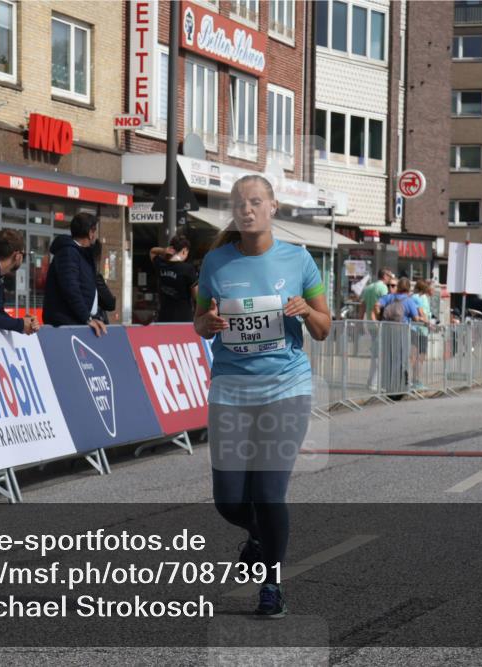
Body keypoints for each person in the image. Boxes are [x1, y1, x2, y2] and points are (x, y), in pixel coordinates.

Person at [193, 174, 331, 619]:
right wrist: (207, 325)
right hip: (231, 391)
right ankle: (260, 537)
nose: (247, 209)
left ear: (273, 207)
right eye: (240, 203)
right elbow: (199, 319)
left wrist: (306, 310)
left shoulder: (299, 260)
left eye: (256, 202)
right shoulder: (216, 263)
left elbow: (324, 328)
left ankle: (271, 583)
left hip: (285, 389)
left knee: (269, 494)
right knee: (230, 501)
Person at [43, 212, 107, 336]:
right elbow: (71, 288)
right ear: (90, 233)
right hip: (67, 324)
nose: (96, 236)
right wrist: (86, 318)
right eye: (95, 231)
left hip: (78, 322)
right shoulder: (68, 253)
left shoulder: (81, 254)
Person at [150, 235, 198, 322]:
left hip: (163, 317)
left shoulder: (161, 265)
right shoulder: (188, 269)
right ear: (184, 251)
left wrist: (164, 250)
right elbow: (196, 295)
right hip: (183, 317)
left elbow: (152, 251)